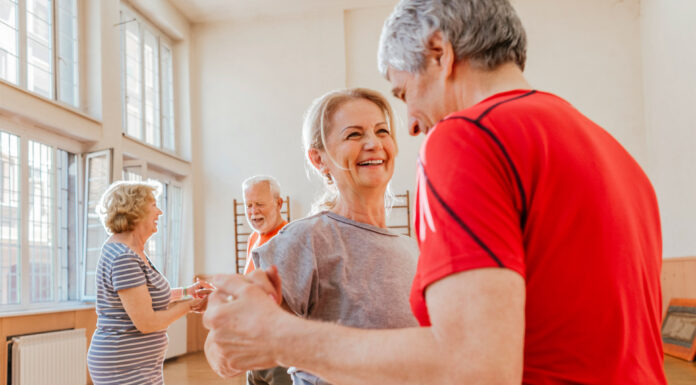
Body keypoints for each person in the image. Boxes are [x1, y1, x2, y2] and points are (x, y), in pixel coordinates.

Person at [203, 1, 667, 384]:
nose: (411, 125)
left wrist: (280, 337)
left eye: (404, 94)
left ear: (440, 53)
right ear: (318, 159)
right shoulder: (616, 155)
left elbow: (475, 366)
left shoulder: (470, 136)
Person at [223, 88, 419, 385]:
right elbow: (228, 349)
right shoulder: (306, 240)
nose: (373, 143)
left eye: (382, 131)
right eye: (354, 135)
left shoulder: (412, 248)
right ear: (319, 159)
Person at [87, 181, 212, 385]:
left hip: (138, 364)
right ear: (134, 209)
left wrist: (187, 292)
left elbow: (143, 296)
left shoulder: (132, 250)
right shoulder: (123, 257)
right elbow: (147, 323)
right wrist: (189, 305)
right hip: (123, 364)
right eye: (154, 205)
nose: (160, 212)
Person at [242, 175, 288, 275]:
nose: (254, 211)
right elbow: (250, 284)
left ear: (279, 204)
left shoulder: (288, 240)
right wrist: (215, 291)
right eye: (249, 205)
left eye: (260, 204)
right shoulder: (253, 237)